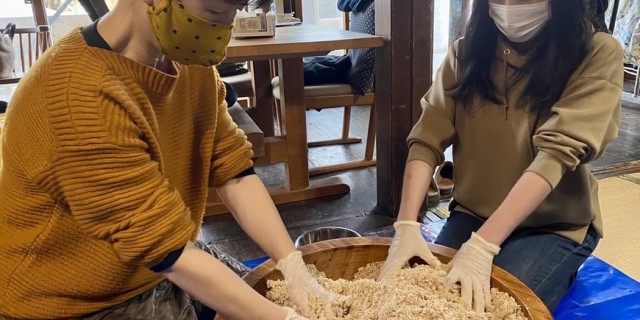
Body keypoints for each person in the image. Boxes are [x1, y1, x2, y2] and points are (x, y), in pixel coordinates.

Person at [0, 0, 335, 319]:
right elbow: (164, 248)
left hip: (156, 264)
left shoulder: (188, 64)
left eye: (234, 11)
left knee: (266, 294)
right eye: (214, 10)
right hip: (72, 301)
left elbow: (234, 172)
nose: (223, 29)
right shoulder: (79, 96)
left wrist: (292, 265)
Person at [378, 0, 623, 314]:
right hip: (474, 212)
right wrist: (406, 225)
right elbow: (427, 138)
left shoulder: (596, 52)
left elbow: (557, 153)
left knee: (491, 307)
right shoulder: (466, 53)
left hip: (552, 223)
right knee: (422, 290)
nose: (509, 6)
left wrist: (482, 247)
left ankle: (560, 265)